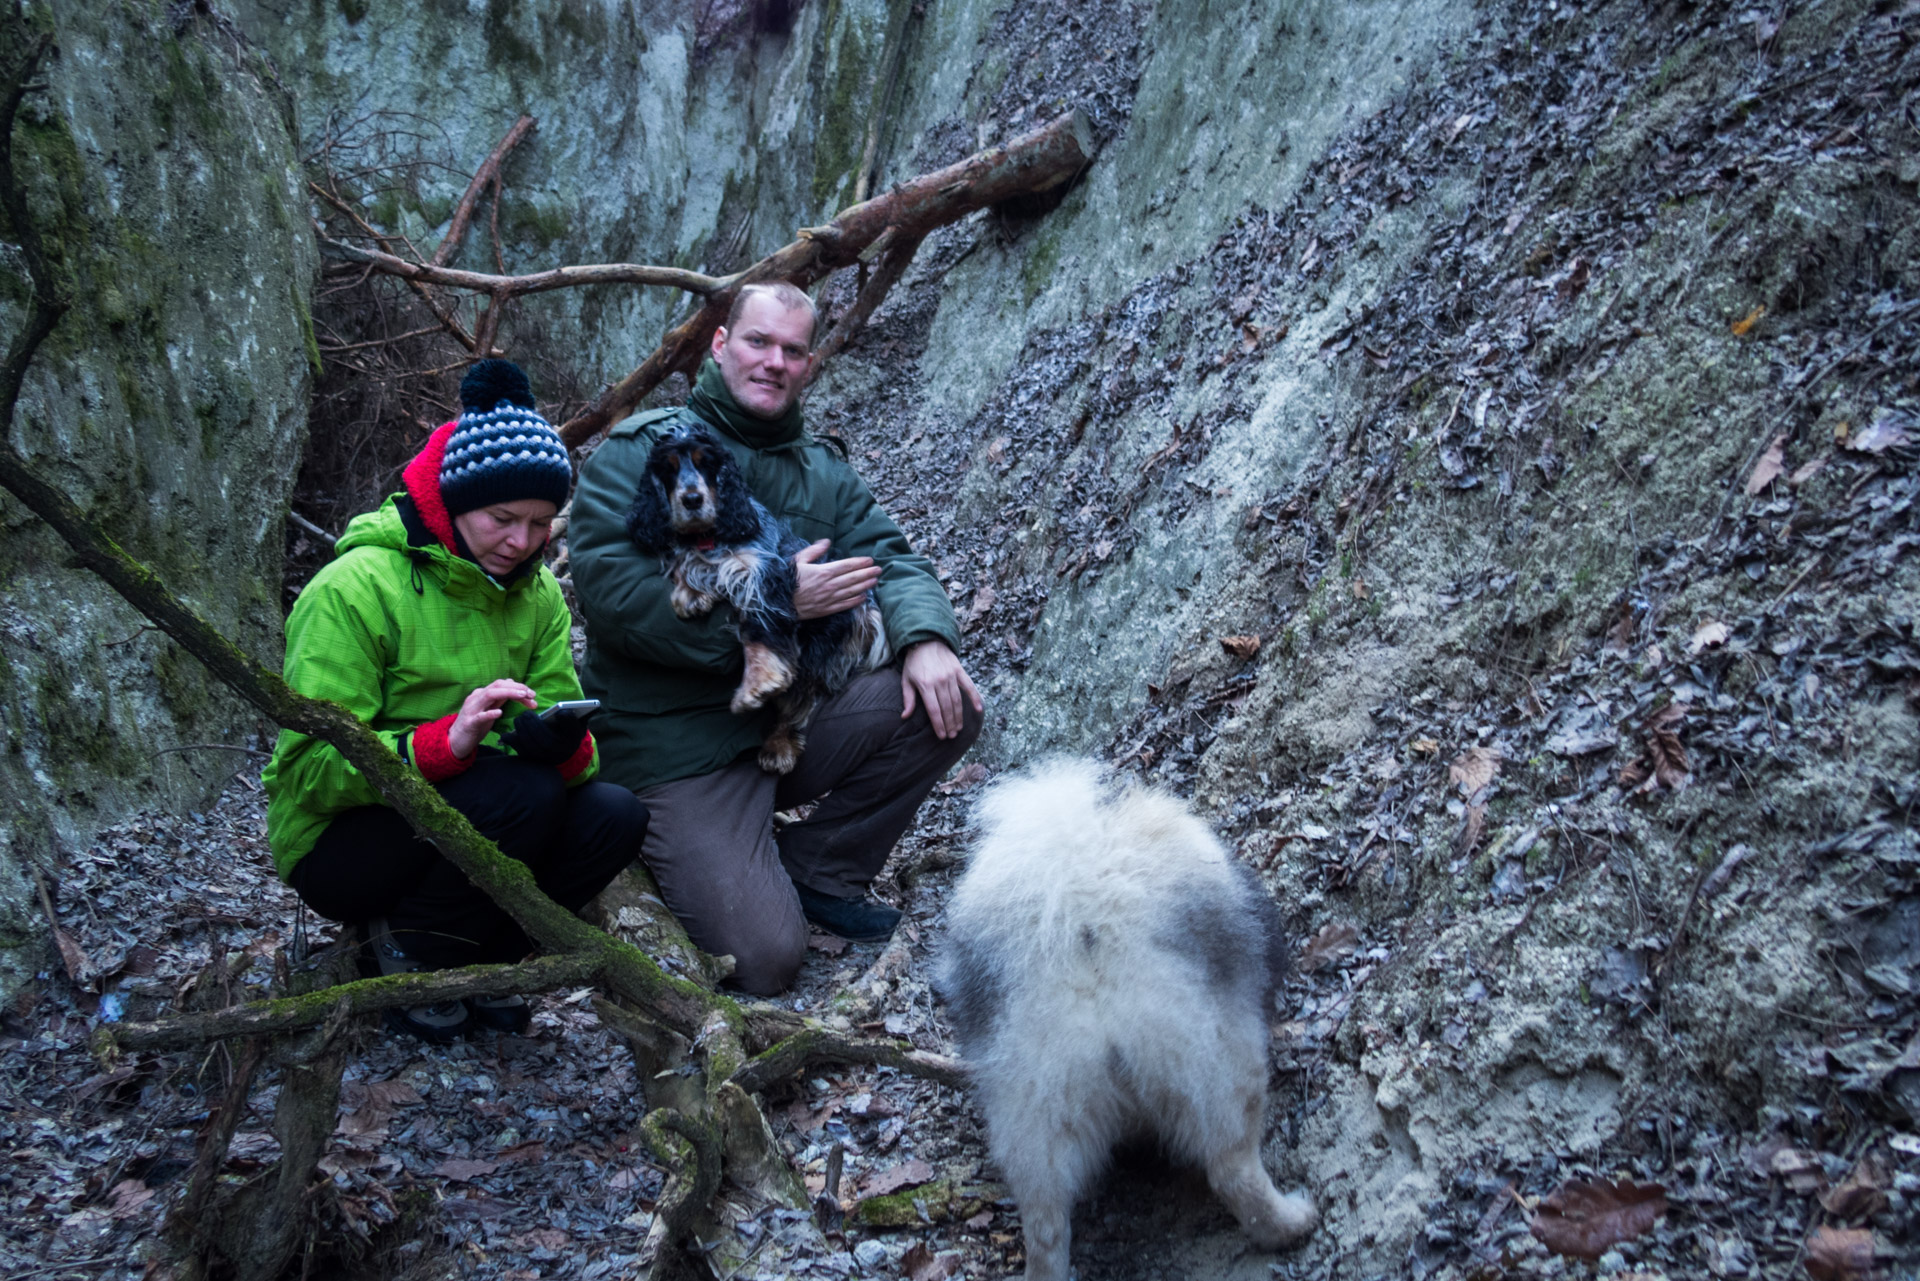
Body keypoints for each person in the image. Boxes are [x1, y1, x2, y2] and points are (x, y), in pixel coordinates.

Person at [569, 281, 983, 995]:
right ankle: (680, 860)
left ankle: (820, 868)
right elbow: (614, 599)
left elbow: (895, 558)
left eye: (793, 350)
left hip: (787, 723)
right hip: (679, 747)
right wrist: (778, 602)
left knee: (950, 703)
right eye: (759, 341)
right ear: (722, 345)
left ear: (810, 364)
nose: (775, 361)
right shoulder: (644, 449)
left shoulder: (821, 468)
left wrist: (925, 638)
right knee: (766, 960)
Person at [263, 360, 648, 1041]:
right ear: (454, 500)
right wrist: (445, 744)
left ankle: (488, 955)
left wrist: (553, 742)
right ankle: (413, 948)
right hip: (339, 842)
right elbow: (309, 774)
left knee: (613, 815)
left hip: (475, 806)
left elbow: (567, 737)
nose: (522, 543)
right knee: (519, 795)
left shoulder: (536, 595)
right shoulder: (352, 588)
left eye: (539, 524)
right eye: (503, 519)